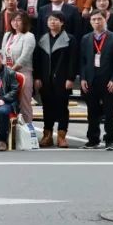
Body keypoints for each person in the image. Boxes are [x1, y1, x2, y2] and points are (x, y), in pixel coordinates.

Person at [80, 11, 113, 150]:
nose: (96, 22)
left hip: (108, 80)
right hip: (91, 79)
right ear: (90, 22)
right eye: (93, 19)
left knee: (109, 111)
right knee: (92, 111)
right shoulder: (86, 38)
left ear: (105, 20)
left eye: (99, 19)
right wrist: (82, 78)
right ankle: (93, 139)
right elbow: (83, 61)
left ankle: (110, 139)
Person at [33, 11, 77, 149]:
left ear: (62, 22)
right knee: (47, 108)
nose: (53, 22)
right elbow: (37, 61)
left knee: (62, 108)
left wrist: (71, 78)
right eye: (50, 20)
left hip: (62, 79)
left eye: (56, 20)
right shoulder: (42, 39)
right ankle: (47, 135)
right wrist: (37, 77)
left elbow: (73, 61)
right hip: (45, 79)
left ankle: (61, 136)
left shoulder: (70, 39)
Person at [1, 12, 36, 123]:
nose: (15, 23)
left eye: (18, 20)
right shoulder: (7, 35)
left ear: (24, 22)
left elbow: (24, 57)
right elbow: (3, 54)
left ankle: (27, 132)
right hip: (7, 73)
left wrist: (11, 70)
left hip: (23, 73)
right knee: (8, 103)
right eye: (13, 20)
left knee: (24, 103)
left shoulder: (29, 36)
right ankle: (9, 134)